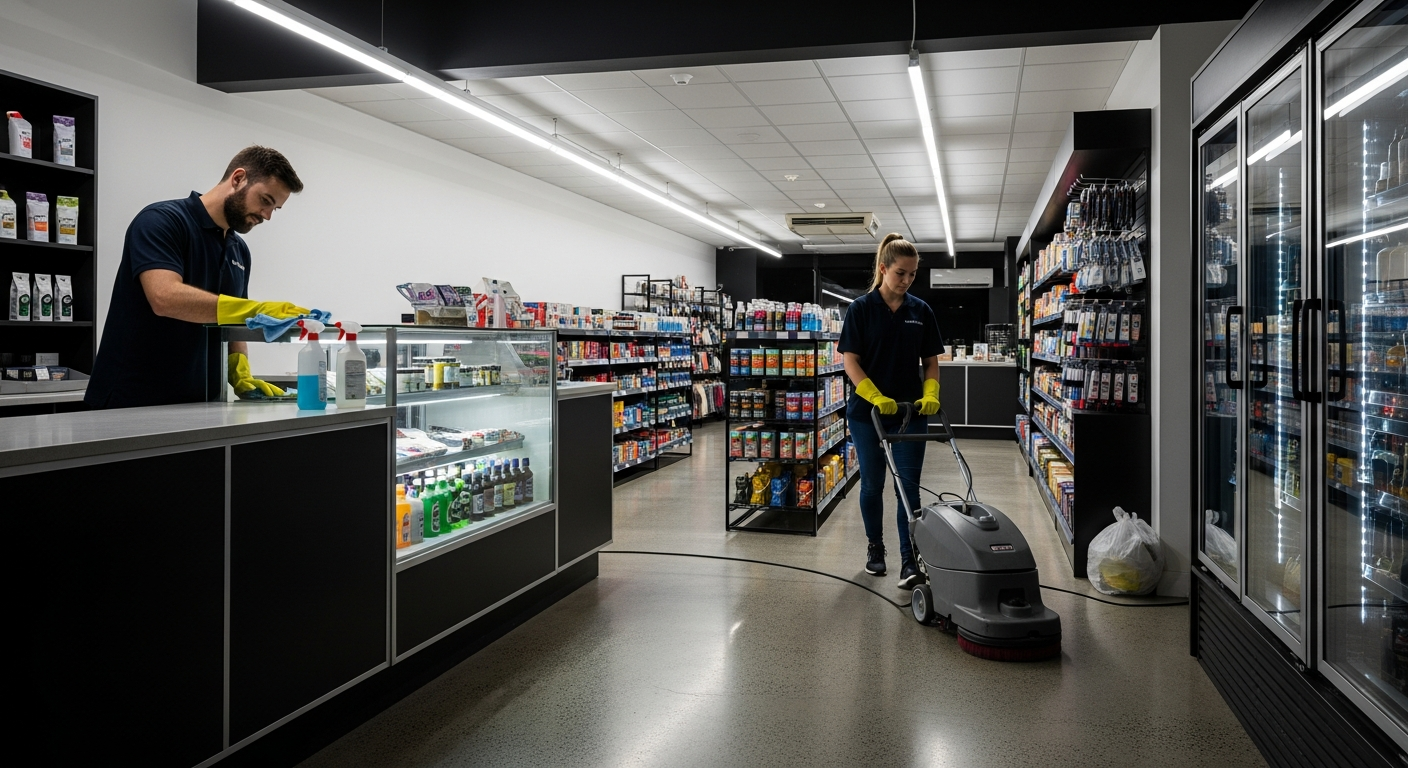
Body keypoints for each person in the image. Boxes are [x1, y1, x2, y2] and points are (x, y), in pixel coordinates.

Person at [86, 146, 310, 409]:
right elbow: (164, 297)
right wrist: (256, 311)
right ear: (238, 179)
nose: (267, 215)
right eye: (265, 200)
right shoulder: (161, 221)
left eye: (276, 208)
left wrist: (240, 372)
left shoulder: (239, 250)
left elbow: (234, 322)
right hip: (132, 402)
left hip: (200, 404)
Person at [838, 233, 943, 589]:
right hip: (867, 414)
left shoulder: (921, 311)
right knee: (873, 484)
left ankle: (909, 561)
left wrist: (931, 390)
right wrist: (873, 394)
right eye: (901, 273)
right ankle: (874, 549)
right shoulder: (861, 309)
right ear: (883, 269)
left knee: (908, 488)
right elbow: (850, 360)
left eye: (913, 274)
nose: (907, 280)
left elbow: (930, 362)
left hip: (911, 412)